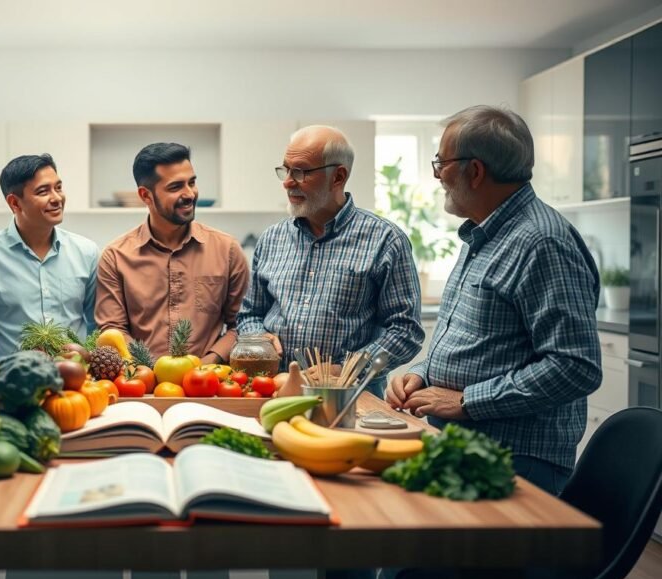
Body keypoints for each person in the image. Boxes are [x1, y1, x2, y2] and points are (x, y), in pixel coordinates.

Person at [386, 105, 602, 496]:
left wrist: (468, 401)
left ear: (475, 171)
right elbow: (481, 343)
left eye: (441, 163)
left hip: (515, 460)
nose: (437, 176)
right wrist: (423, 374)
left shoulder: (541, 242)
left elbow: (576, 367)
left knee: (409, 552)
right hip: (471, 449)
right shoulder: (486, 235)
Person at [237, 125, 424, 395]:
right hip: (274, 391)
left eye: (300, 172)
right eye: (286, 170)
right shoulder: (272, 238)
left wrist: (347, 369)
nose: (288, 182)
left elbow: (406, 331)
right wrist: (259, 338)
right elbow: (250, 313)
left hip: (350, 397)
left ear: (338, 177)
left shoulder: (385, 240)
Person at [96, 143, 248, 363]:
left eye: (192, 182)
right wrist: (146, 370)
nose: (189, 194)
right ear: (146, 195)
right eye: (175, 187)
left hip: (209, 384)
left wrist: (207, 364)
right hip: (140, 384)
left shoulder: (227, 250)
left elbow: (242, 325)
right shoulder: (116, 256)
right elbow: (113, 328)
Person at [0, 154, 98, 361]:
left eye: (58, 187)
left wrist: (89, 358)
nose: (56, 198)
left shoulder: (87, 252)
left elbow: (96, 324)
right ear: (14, 203)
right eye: (43, 191)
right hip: (12, 383)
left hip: (76, 381)